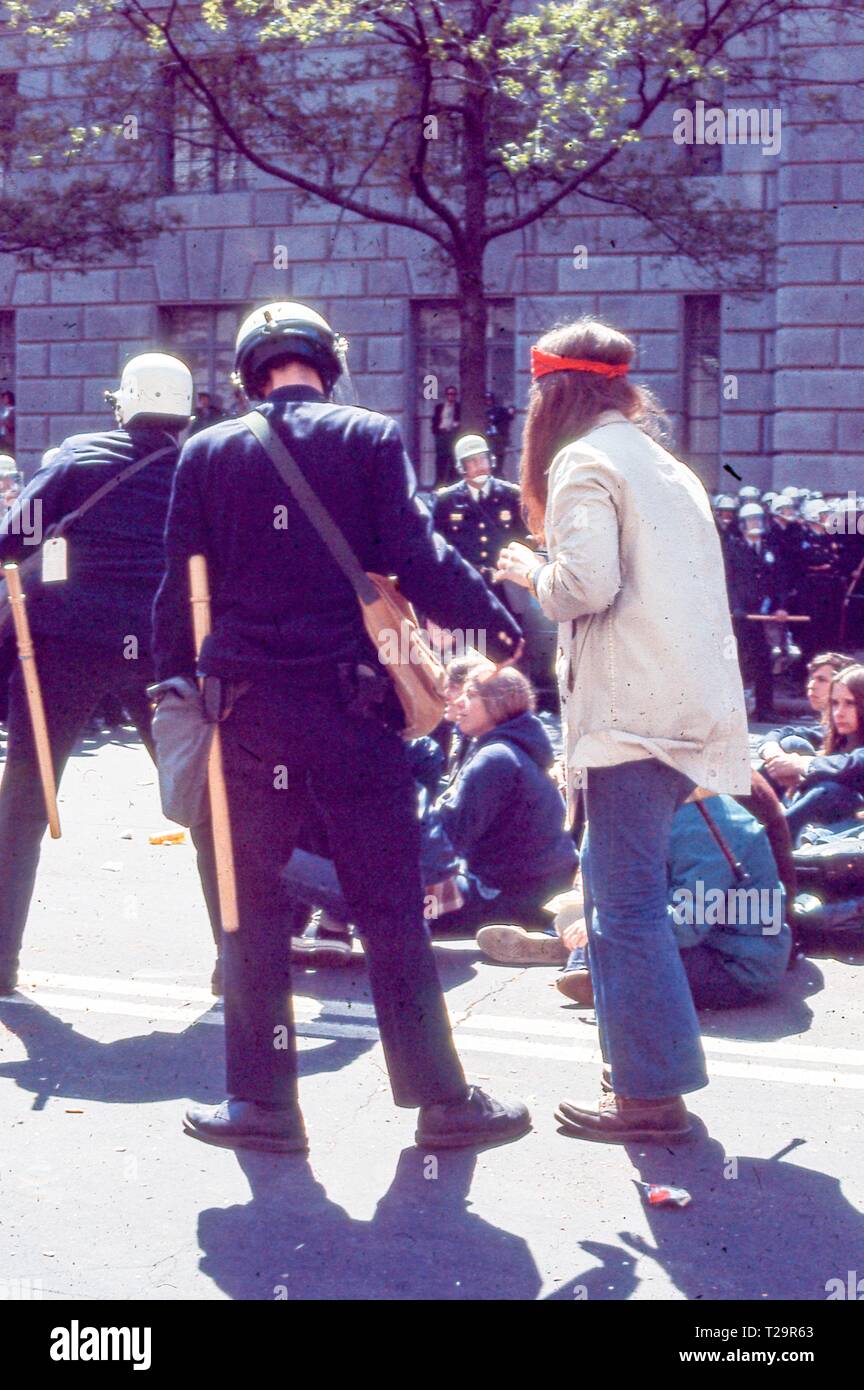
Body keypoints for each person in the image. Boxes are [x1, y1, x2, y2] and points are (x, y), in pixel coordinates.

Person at [154, 299, 530, 1154]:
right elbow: (421, 554)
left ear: (250, 368)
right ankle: (442, 1101)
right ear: (327, 361)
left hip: (248, 712)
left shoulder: (207, 450)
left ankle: (263, 1106)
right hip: (353, 708)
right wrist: (495, 628)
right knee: (389, 903)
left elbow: (177, 586)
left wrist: (169, 691)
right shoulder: (368, 436)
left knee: (249, 910)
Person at [496, 316, 749, 1144]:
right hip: (685, 710)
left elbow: (585, 585)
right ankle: (641, 1077)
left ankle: (649, 1096)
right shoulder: (664, 463)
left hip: (630, 717)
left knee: (625, 905)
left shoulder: (583, 459)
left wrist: (530, 571)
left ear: (552, 395)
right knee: (619, 896)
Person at [0, 353, 196, 996]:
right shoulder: (199, 466)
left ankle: (0, 966)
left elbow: (13, 537)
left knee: (24, 806)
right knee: (205, 801)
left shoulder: (78, 456)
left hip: (65, 648)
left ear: (126, 403)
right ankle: (240, 961)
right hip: (161, 651)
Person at [557, 795, 791, 1010]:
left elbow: (687, 925)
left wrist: (608, 923)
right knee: (600, 925)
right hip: (717, 938)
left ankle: (595, 968)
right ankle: (590, 961)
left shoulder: (703, 827)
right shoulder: (686, 807)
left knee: (611, 941)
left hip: (737, 967)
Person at [427, 666, 577, 935]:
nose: (460, 702)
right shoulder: (516, 746)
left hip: (506, 895)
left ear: (498, 703)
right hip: (540, 892)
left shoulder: (495, 758)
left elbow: (446, 837)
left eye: (471, 695)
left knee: (390, 901)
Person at [764, 664, 864, 845]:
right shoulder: (838, 735)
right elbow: (784, 733)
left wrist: (802, 766)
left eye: (849, 703)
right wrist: (772, 751)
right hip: (819, 807)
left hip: (854, 819)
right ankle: (740, 815)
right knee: (792, 743)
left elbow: (852, 764)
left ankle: (769, 839)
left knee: (828, 790)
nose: (839, 712)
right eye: (834, 703)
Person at [724, 502, 787, 721]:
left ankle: (765, 709)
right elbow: (728, 581)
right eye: (751, 520)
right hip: (739, 616)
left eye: (759, 520)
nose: (755, 524)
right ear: (742, 524)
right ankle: (732, 712)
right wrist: (734, 606)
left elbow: (778, 581)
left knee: (764, 660)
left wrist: (780, 606)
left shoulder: (770, 550)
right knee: (737, 661)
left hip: (762, 615)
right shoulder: (733, 549)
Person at [430, 385, 461, 488]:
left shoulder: (458, 407)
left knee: (453, 460)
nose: (451, 396)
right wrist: (436, 431)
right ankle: (438, 483)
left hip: (452, 435)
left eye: (453, 394)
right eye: (449, 394)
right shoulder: (439, 407)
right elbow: (435, 421)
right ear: (446, 395)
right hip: (441, 435)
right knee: (440, 460)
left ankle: (451, 483)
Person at [484, 392, 516, 469]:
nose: (488, 401)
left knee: (498, 458)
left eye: (490, 399)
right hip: (487, 438)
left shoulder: (498, 410)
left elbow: (509, 414)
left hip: (498, 438)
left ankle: (498, 472)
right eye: (486, 399)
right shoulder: (482, 411)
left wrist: (511, 409)